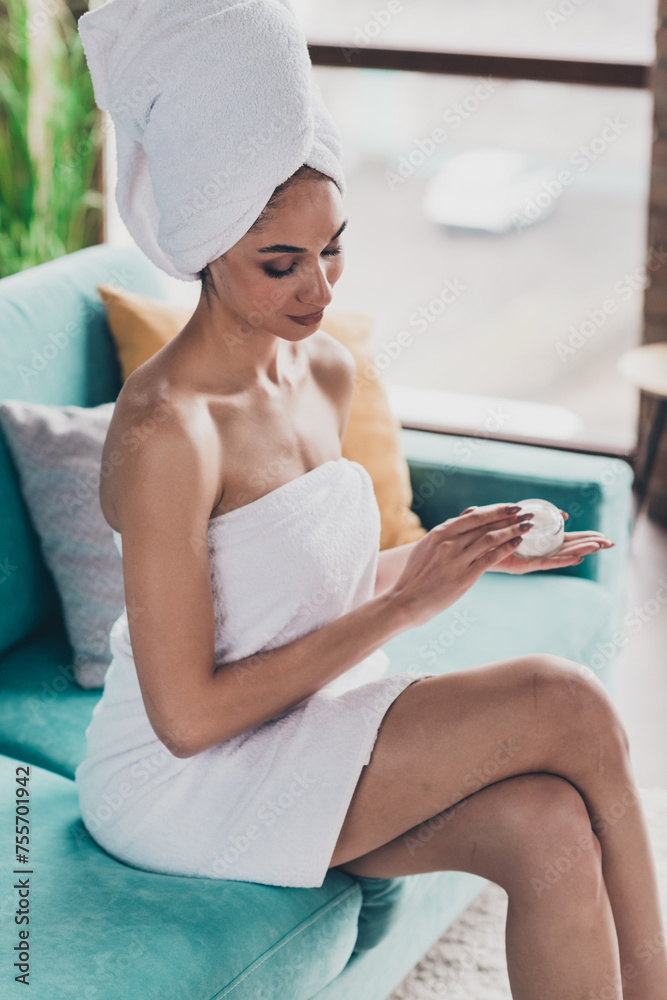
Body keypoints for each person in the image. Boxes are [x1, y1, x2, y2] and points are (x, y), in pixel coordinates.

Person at [76, 2, 667, 997]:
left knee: (550, 830)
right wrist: (405, 605)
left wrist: (459, 559)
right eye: (280, 263)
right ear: (209, 247)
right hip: (180, 780)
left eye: (332, 248)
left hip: (298, 719)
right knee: (563, 700)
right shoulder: (166, 430)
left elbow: (302, 588)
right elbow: (186, 716)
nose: (316, 290)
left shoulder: (324, 372)